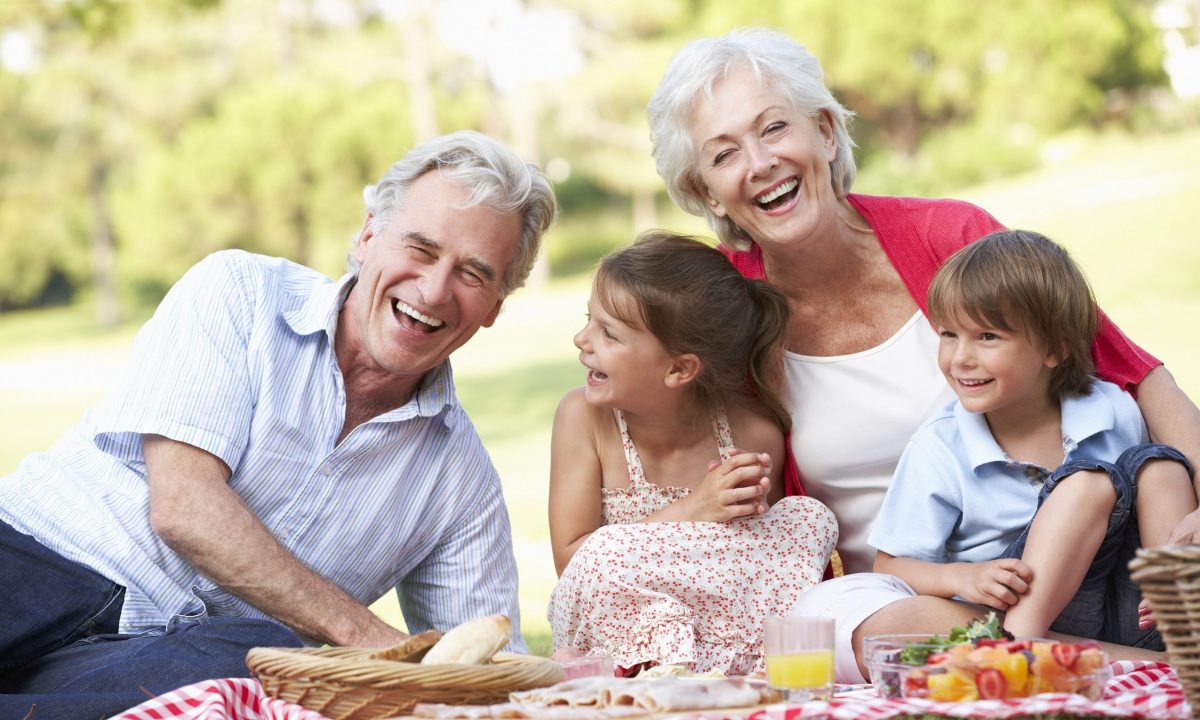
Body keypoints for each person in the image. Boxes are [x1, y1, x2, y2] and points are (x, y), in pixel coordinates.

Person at [646, 27, 1200, 682]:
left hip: (1087, 554)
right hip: (910, 594)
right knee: (823, 626)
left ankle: (1041, 656)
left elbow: (1134, 373)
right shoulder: (719, 311)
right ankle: (1104, 664)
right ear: (708, 191)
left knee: (1156, 491)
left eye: (774, 129)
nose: (759, 162)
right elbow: (635, 417)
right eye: (724, 154)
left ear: (825, 132)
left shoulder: (953, 238)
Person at [0, 130, 557, 717]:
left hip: (158, 662)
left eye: (473, 273)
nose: (435, 288)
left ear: (496, 305)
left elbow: (486, 684)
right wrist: (374, 643)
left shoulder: (459, 484)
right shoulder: (240, 292)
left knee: (260, 670)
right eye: (420, 248)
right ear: (368, 236)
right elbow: (184, 506)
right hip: (34, 563)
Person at [869, 229, 1196, 646]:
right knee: (1086, 484)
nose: (960, 358)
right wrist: (962, 577)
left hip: (1133, 613)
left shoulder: (1112, 409)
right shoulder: (941, 447)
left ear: (1054, 350)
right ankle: (1016, 650)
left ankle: (1184, 626)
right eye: (949, 334)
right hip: (1020, 613)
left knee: (1161, 465)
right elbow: (890, 565)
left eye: (987, 336)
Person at [547, 231, 837, 675]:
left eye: (608, 333)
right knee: (603, 555)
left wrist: (742, 515)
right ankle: (662, 668)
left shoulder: (751, 434)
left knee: (807, 518)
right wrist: (694, 509)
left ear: (679, 369)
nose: (580, 339)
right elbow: (575, 563)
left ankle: (743, 664)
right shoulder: (583, 419)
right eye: (590, 319)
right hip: (622, 627)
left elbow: (753, 570)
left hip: (717, 628)